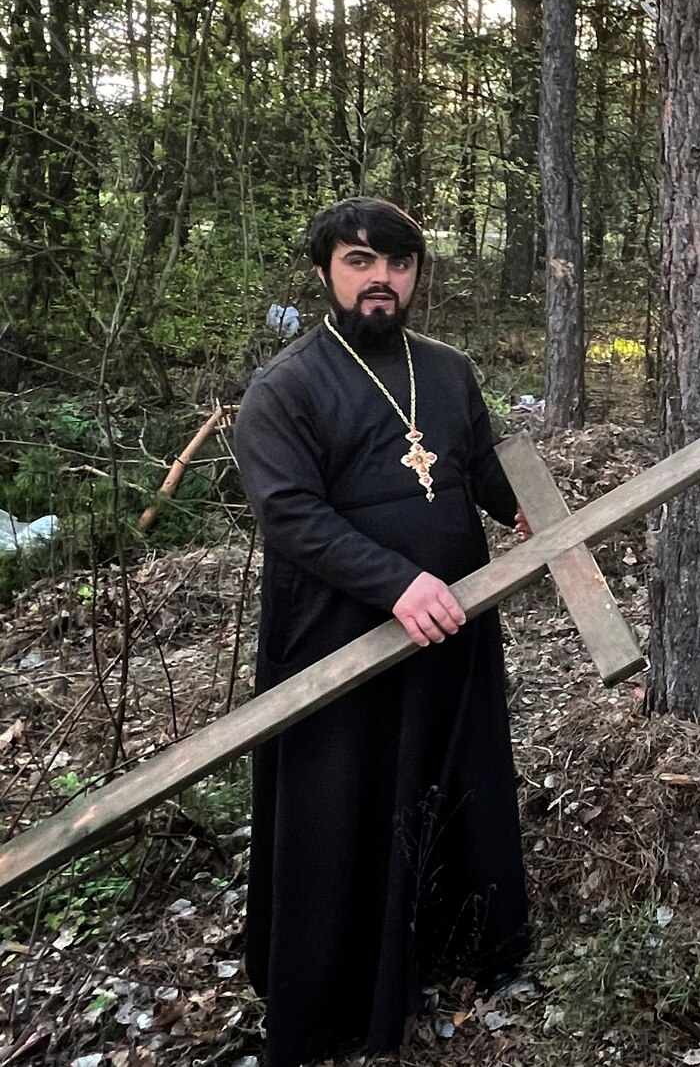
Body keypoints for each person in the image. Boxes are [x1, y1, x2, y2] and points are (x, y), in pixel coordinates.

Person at [234, 198, 531, 1067]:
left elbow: (479, 467)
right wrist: (397, 582)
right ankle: (340, 995)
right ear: (327, 268)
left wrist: (523, 513)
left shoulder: (444, 370)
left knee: (451, 776)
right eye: (362, 262)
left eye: (398, 265)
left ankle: (462, 948)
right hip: (337, 639)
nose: (381, 280)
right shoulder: (286, 388)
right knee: (345, 806)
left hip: (455, 625)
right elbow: (290, 516)